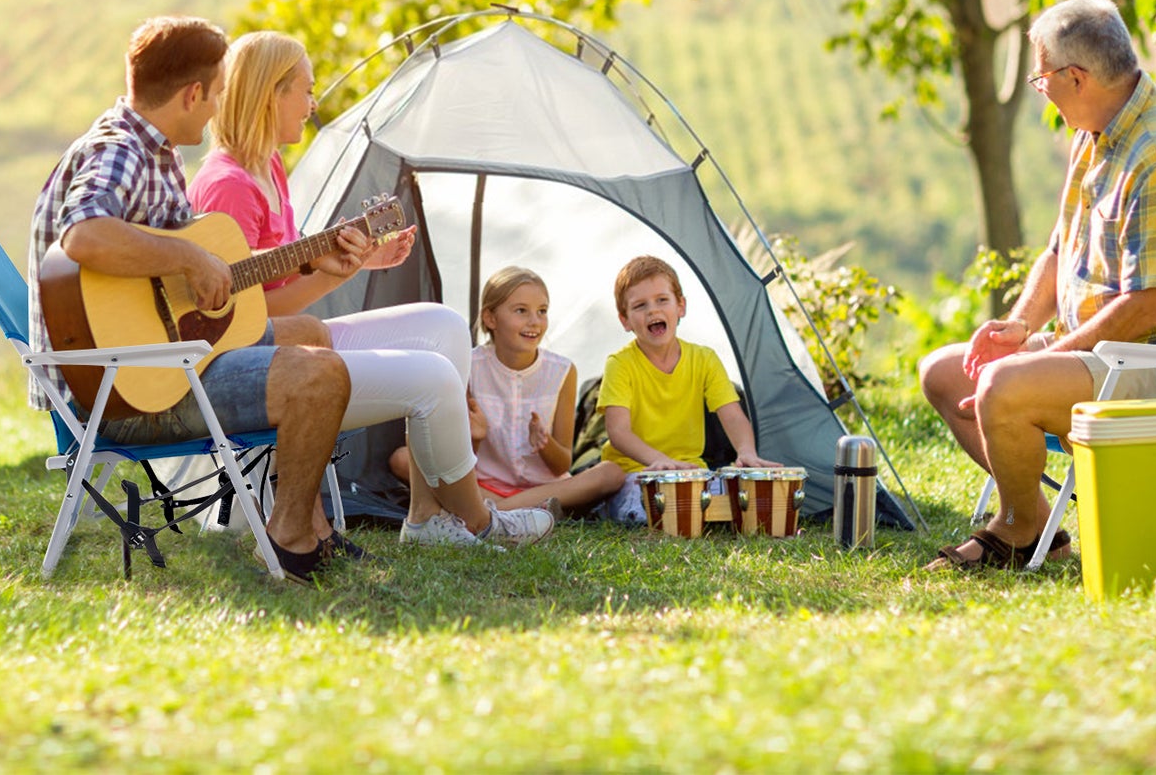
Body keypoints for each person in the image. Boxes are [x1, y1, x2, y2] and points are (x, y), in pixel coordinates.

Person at [187, 30, 553, 551]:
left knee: (445, 327)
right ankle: (482, 521)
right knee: (432, 377)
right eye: (306, 91)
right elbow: (243, 315)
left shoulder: (267, 166)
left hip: (288, 343)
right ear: (272, 93)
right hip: (261, 367)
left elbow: (283, 275)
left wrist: (357, 261)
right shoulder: (228, 184)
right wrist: (333, 276)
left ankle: (426, 516)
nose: (312, 105)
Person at [28, 16, 352, 583]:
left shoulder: (156, 154)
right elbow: (84, 235)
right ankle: (288, 539)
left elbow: (199, 281)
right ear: (192, 93)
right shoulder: (120, 151)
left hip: (149, 361)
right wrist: (187, 258)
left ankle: (311, 524)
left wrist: (307, 260)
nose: (216, 110)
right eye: (216, 95)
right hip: (122, 392)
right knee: (320, 376)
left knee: (309, 334)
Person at [919, 0, 1156, 572]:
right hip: (1103, 350)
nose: (1042, 91)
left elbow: (1145, 308)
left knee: (1000, 388)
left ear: (1076, 77)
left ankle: (1015, 532)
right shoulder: (1095, 131)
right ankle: (1038, 518)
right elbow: (1058, 250)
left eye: (1043, 80)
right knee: (943, 373)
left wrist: (1036, 365)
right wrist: (1018, 329)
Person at [390, 266, 625, 515]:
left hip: (547, 486)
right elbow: (459, 461)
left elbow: (562, 465)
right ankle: (521, 510)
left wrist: (545, 444)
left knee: (611, 473)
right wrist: (475, 439)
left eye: (542, 311)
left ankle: (495, 512)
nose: (535, 321)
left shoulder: (563, 371)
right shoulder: (468, 366)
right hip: (482, 485)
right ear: (490, 318)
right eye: (521, 311)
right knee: (403, 459)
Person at [596, 253, 777, 522]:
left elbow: (732, 415)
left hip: (692, 472)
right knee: (649, 510)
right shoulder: (619, 364)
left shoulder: (704, 359)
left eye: (662, 300)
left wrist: (746, 452)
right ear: (625, 320)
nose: (653, 311)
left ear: (680, 306)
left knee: (744, 501)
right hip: (635, 472)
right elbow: (618, 431)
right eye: (640, 306)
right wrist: (658, 461)